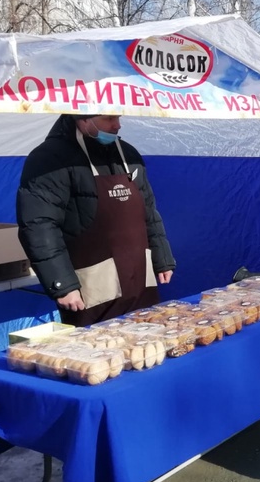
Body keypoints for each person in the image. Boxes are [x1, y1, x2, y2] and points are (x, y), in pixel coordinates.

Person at [17, 114, 176, 326]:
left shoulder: (128, 154)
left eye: (118, 117)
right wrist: (63, 285)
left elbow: (149, 211)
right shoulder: (49, 159)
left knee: (145, 344)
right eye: (109, 118)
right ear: (82, 119)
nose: (117, 125)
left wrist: (162, 258)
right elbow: (39, 225)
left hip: (139, 278)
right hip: (92, 289)